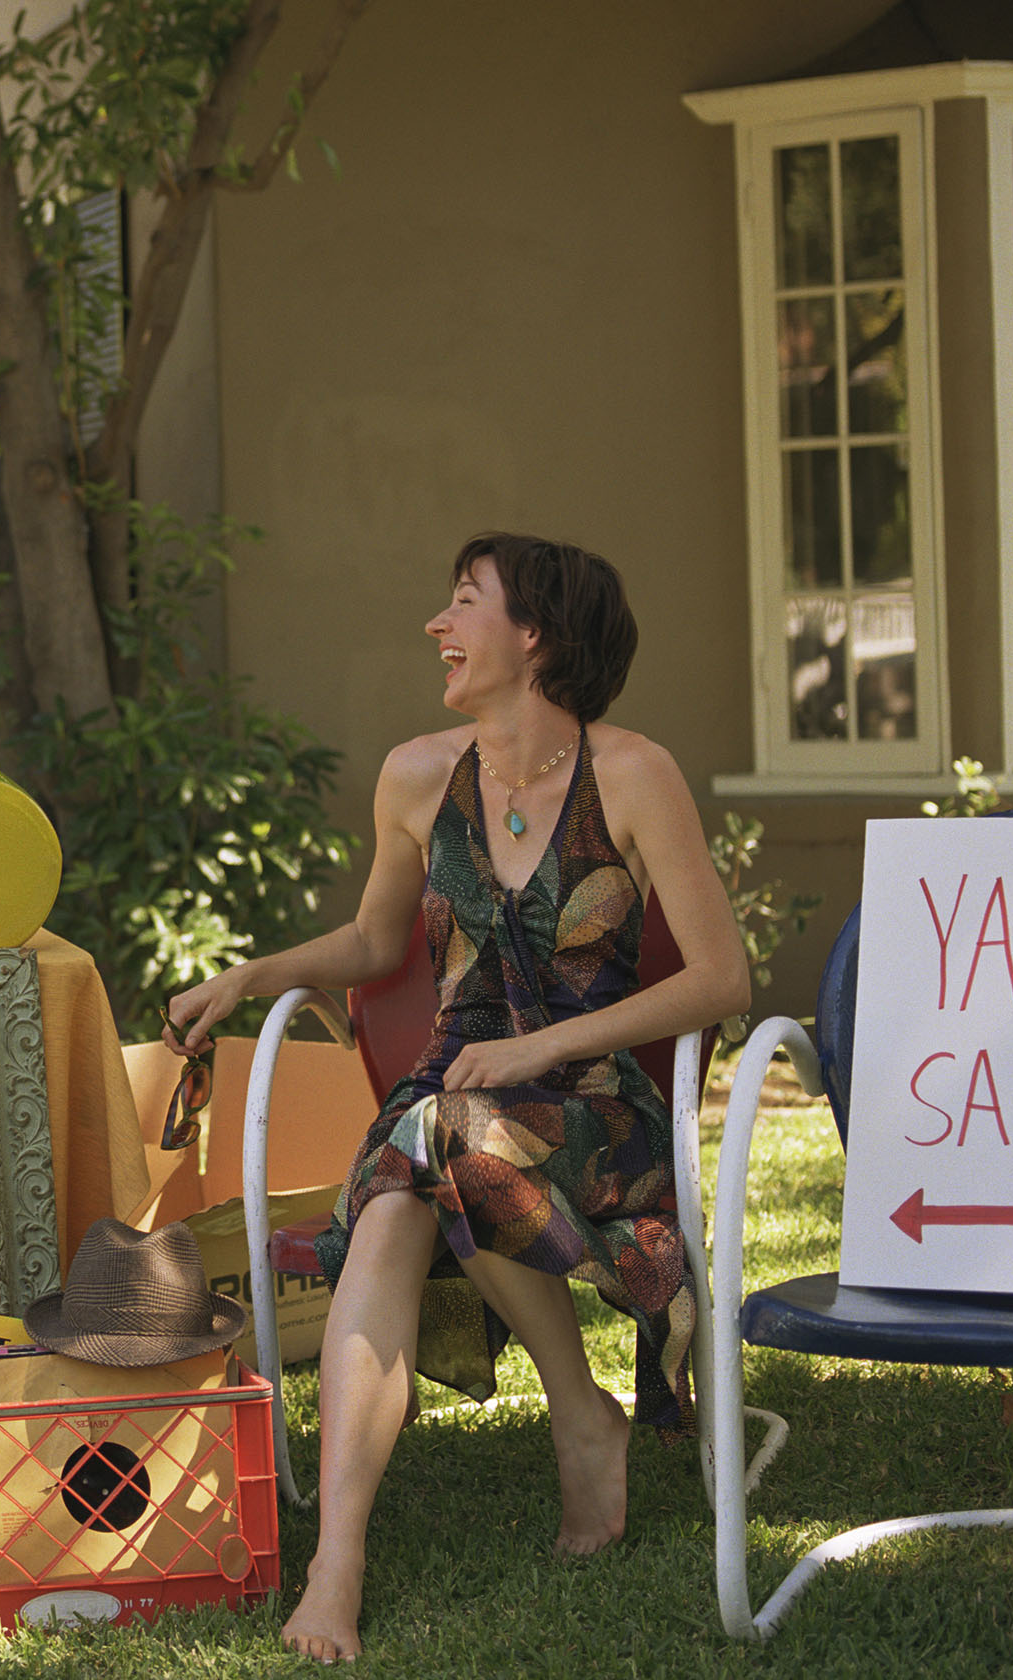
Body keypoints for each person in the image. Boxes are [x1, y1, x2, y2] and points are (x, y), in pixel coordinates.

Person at [163, 533, 749, 1663]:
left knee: (423, 1147)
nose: (437, 626)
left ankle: (577, 1411)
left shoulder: (632, 774)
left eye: (462, 603)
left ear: (533, 635)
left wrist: (543, 1052)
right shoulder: (417, 776)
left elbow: (721, 978)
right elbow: (379, 939)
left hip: (593, 1107)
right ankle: (341, 1558)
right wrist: (252, 975)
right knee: (402, 1185)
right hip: (454, 1094)